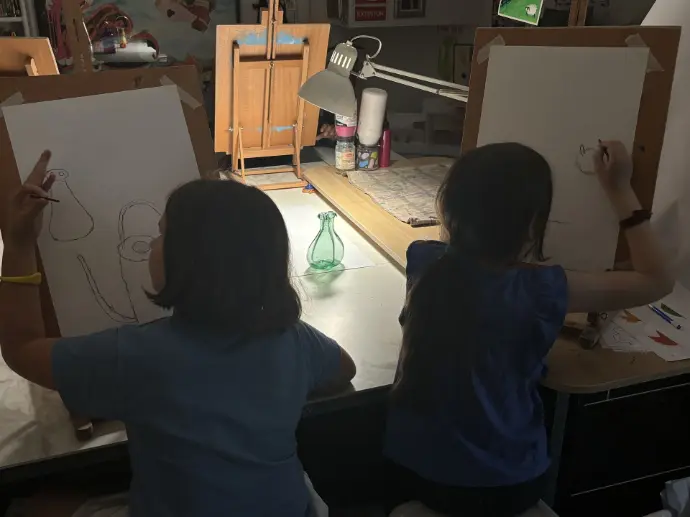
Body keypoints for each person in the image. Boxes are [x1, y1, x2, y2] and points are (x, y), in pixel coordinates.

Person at [0, 151, 356, 517]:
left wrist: (19, 243)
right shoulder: (292, 338)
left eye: (160, 233)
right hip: (290, 509)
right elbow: (344, 368)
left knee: (34, 506)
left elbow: (20, 348)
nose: (153, 244)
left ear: (186, 260)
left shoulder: (136, 356)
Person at [384, 141, 673, 517]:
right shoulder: (541, 290)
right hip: (504, 485)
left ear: (446, 206)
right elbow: (657, 280)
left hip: (412, 470)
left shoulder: (423, 260)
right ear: (533, 226)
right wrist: (619, 189)